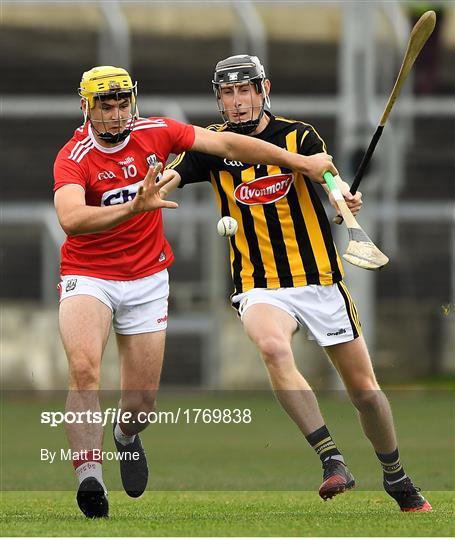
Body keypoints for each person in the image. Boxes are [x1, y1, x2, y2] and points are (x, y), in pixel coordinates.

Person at [53, 65, 337, 519]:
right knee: (85, 370)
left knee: (140, 405)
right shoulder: (74, 155)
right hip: (89, 274)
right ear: (86, 107)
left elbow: (226, 143)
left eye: (122, 102)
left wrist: (301, 164)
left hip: (147, 278)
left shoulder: (158, 131)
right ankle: (90, 479)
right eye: (104, 105)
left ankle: (126, 437)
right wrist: (135, 207)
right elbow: (71, 218)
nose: (115, 112)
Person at [163, 54, 431, 512]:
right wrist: (151, 192)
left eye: (245, 90)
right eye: (228, 93)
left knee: (365, 391)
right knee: (272, 347)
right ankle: (332, 460)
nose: (237, 101)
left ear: (264, 89)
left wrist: (341, 195)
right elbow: (171, 176)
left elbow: (326, 174)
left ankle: (396, 475)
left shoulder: (298, 135)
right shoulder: (212, 145)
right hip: (258, 283)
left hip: (320, 280)